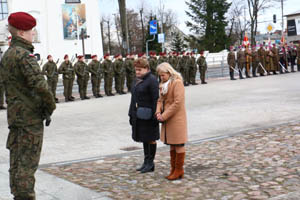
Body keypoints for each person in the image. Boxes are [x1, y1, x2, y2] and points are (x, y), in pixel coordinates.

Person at [0, 12, 56, 200]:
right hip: (29, 118)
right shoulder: (24, 56)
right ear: (22, 32)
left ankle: (18, 195)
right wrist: (50, 105)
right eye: (32, 30)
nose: (33, 33)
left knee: (16, 162)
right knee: (27, 165)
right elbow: (40, 85)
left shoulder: (8, 55)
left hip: (16, 117)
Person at [155, 62, 188, 181]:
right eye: (160, 76)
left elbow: (177, 103)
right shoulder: (164, 84)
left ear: (169, 73)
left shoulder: (177, 83)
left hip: (176, 119)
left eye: (163, 75)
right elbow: (160, 100)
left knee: (178, 144)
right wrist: (158, 112)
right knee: (172, 145)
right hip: (167, 118)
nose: (161, 78)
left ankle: (179, 170)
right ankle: (174, 169)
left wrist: (164, 115)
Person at [128, 58, 159, 173]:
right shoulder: (137, 80)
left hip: (149, 115)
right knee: (144, 139)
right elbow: (133, 98)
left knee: (151, 139)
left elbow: (156, 99)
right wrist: (131, 113)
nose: (137, 72)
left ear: (146, 68)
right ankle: (146, 162)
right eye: (136, 70)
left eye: (139, 70)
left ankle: (150, 163)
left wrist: (156, 115)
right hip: (139, 114)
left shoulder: (152, 80)